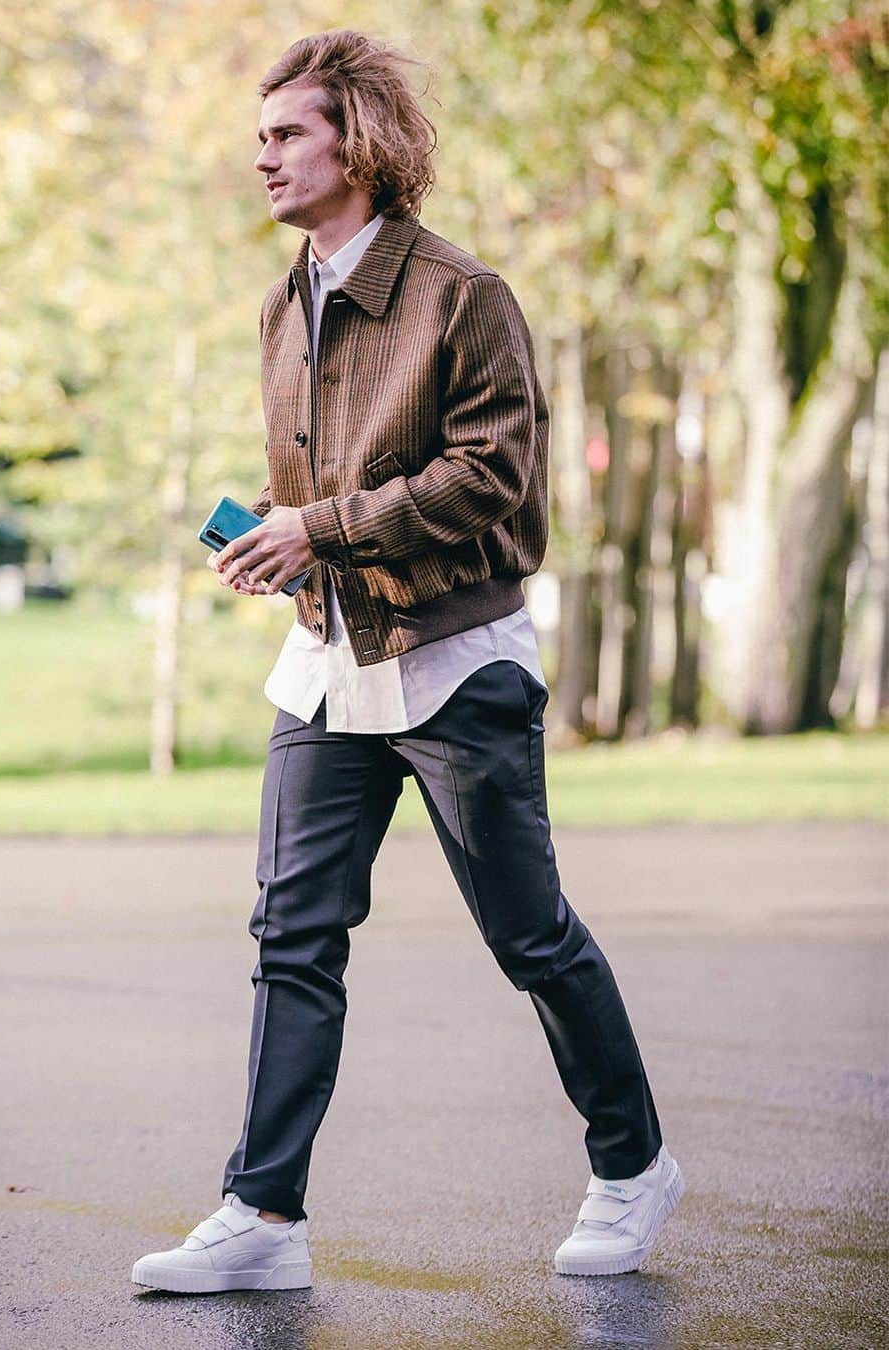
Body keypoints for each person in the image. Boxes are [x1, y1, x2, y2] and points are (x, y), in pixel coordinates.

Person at [131, 29, 683, 1294]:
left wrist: (316, 527)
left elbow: (492, 478)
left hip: (455, 660)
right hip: (329, 659)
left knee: (529, 934)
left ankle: (632, 1163)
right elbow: (313, 484)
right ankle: (264, 1218)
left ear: (360, 143)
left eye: (287, 134)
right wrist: (278, 543)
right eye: (260, 136)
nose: (260, 156)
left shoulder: (462, 294)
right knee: (292, 934)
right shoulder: (287, 298)